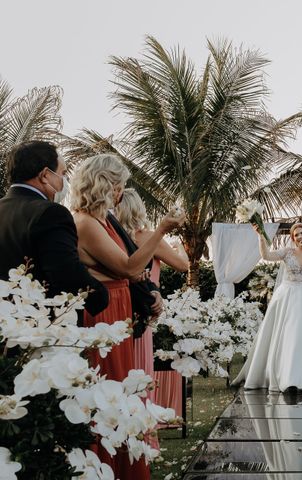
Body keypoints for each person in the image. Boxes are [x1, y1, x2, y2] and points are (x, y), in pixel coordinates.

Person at [70, 154, 184, 479]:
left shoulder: (104, 220)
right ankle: (109, 468)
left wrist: (151, 291)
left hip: (119, 307)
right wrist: (162, 229)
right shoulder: (86, 223)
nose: (121, 192)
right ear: (105, 184)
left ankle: (125, 466)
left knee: (123, 392)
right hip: (103, 314)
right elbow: (130, 266)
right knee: (108, 393)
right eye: (118, 184)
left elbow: (134, 269)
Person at [0, 141, 108, 315]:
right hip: (42, 325)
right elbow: (66, 272)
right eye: (63, 173)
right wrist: (101, 295)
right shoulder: (51, 213)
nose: (64, 181)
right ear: (45, 175)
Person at [232, 223, 302, 392]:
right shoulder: (287, 252)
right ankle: (286, 377)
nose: (300, 237)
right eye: (296, 235)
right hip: (287, 297)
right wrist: (261, 236)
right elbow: (266, 255)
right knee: (288, 335)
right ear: (293, 238)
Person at [115, 188, 189, 430]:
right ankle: (142, 429)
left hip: (120, 311)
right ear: (139, 209)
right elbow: (182, 265)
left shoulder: (113, 239)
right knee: (140, 370)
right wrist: (179, 247)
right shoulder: (148, 237)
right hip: (145, 310)